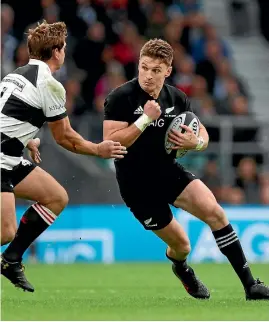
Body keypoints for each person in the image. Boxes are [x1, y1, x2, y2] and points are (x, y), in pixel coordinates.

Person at [103, 38, 269, 300]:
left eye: (156, 70)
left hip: (168, 172)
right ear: (138, 65)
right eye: (144, 68)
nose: (148, 75)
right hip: (137, 186)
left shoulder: (177, 97)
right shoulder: (120, 97)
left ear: (168, 70)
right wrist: (146, 119)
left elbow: (200, 131)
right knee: (182, 246)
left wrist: (197, 142)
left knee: (215, 212)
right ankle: (181, 268)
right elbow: (111, 141)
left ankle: (251, 285)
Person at [0, 21, 127, 292]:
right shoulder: (49, 84)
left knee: (56, 197)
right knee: (5, 231)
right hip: (2, 160)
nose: (65, 52)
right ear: (56, 52)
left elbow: (9, 116)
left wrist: (28, 138)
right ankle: (11, 253)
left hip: (10, 156)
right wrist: (98, 149)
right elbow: (65, 137)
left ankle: (11, 260)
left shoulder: (15, 75)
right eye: (64, 48)